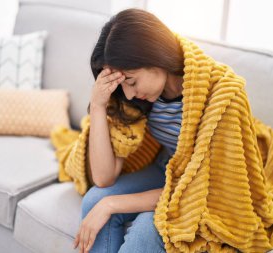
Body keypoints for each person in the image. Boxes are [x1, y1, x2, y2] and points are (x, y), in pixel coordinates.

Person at [73, 8, 184, 253]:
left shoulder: (214, 92)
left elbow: (202, 188)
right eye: (123, 86)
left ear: (156, 57)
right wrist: (99, 106)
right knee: (94, 200)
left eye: (132, 81)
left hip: (201, 180)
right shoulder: (136, 101)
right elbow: (104, 178)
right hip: (167, 166)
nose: (130, 94)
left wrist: (112, 204)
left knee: (147, 224)